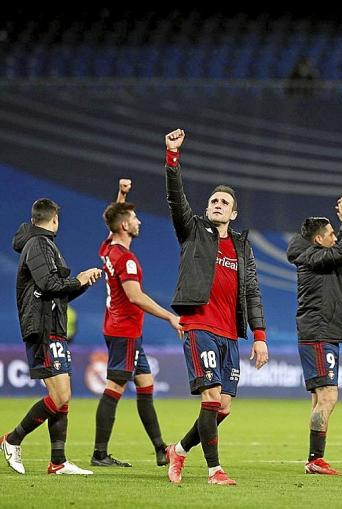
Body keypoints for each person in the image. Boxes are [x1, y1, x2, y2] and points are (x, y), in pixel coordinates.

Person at [162, 129, 269, 487]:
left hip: (229, 333)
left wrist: (259, 337)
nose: (218, 204)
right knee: (210, 397)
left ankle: (178, 449)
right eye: (213, 201)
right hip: (199, 326)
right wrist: (172, 157)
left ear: (234, 212)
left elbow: (252, 291)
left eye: (224, 202)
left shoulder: (242, 247)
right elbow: (177, 200)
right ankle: (214, 470)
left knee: (222, 406)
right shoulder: (193, 231)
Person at [1, 199, 102, 475]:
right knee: (60, 395)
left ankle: (58, 461)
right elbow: (48, 284)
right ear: (53, 219)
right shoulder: (38, 245)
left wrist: (81, 283)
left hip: (54, 327)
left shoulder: (44, 245)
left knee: (62, 397)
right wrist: (77, 279)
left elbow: (58, 291)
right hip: (43, 329)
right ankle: (12, 440)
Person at [91, 179, 183, 468]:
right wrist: (169, 316)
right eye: (133, 218)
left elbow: (112, 221)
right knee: (115, 388)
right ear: (124, 227)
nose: (138, 221)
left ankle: (159, 449)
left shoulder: (107, 248)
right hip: (124, 331)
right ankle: (99, 454)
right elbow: (135, 296)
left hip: (122, 329)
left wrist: (122, 195)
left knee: (145, 385)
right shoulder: (125, 259)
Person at [286, 197, 342, 476]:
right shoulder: (315, 257)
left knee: (320, 398)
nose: (336, 236)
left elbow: (340, 248)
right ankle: (315, 460)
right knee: (328, 396)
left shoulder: (315, 254)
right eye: (331, 233)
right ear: (318, 239)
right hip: (318, 332)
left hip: (322, 332)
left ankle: (315, 459)